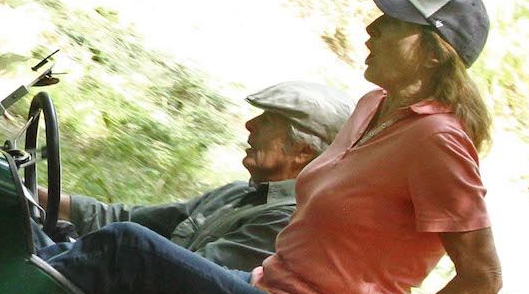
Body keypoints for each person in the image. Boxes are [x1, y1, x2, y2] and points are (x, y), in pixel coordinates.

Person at [44, 0, 503, 294]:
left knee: (126, 250)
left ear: (434, 52)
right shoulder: (372, 106)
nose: (372, 28)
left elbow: (482, 276)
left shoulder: (438, 141)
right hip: (268, 289)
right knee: (82, 252)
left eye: (392, 22)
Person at [60, 80, 354, 271]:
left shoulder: (283, 222)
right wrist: (41, 196)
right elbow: (126, 218)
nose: (250, 125)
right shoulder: (237, 193)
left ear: (302, 152)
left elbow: (177, 276)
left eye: (267, 121)